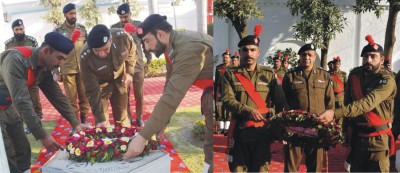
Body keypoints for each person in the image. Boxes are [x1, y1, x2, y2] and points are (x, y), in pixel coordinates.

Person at [122, 14, 214, 172]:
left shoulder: (188, 48)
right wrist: (162, 122)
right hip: (212, 91)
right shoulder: (172, 45)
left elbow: (173, 95)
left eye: (147, 41)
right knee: (211, 142)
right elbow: (169, 84)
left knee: (220, 147)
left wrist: (143, 137)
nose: (147, 48)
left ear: (160, 34)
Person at [0, 32, 89, 173]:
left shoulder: (45, 66)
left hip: (6, 105)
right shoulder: (15, 60)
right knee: (6, 153)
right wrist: (42, 135)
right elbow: (22, 102)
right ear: (46, 51)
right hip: (8, 104)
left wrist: (76, 123)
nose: (61, 64)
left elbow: (57, 96)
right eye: (60, 58)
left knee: (22, 147)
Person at [318, 35, 397, 172]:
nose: (368, 60)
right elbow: (348, 101)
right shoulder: (355, 75)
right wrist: (345, 131)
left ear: (382, 59)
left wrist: (334, 113)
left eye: (373, 57)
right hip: (357, 139)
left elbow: (366, 103)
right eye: (365, 57)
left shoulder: (387, 80)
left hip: (378, 141)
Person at [222, 25, 288, 172]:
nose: (248, 54)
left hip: (263, 133)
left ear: (258, 52)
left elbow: (281, 102)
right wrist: (247, 111)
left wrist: (282, 126)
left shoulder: (268, 74)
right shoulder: (230, 74)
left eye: (252, 50)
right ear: (240, 52)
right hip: (239, 132)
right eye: (245, 50)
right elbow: (227, 99)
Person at [282, 43, 335, 172]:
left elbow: (330, 103)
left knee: (315, 168)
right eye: (304, 54)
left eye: (310, 55)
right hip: (295, 128)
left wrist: (329, 124)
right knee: (291, 168)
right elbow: (283, 103)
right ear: (299, 56)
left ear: (314, 56)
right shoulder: (290, 76)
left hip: (317, 128)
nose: (307, 57)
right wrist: (284, 126)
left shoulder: (324, 75)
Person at [80, 24, 137, 127]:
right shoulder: (85, 56)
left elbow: (132, 51)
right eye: (97, 51)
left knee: (123, 121)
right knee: (102, 124)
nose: (102, 54)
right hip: (100, 87)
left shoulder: (122, 38)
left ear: (111, 40)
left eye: (105, 49)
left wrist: (129, 72)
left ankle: (125, 141)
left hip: (120, 81)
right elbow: (91, 89)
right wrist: (100, 118)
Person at [111, 3, 152, 127]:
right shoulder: (114, 28)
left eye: (126, 16)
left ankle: (139, 117)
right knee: (124, 94)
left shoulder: (139, 26)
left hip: (138, 66)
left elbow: (145, 44)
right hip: (123, 68)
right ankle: (127, 117)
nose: (123, 20)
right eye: (121, 17)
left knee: (139, 95)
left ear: (130, 14)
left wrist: (148, 60)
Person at [4, 19, 43, 134]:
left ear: (24, 28)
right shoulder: (8, 43)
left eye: (21, 29)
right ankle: (27, 124)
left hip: (31, 75)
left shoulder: (32, 41)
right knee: (21, 101)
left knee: (35, 100)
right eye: (17, 30)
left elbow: (38, 57)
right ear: (13, 30)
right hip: (18, 78)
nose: (20, 31)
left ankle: (38, 120)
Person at [54, 3, 90, 123]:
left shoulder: (82, 29)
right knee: (71, 99)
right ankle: (75, 123)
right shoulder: (58, 31)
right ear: (65, 15)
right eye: (71, 13)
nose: (73, 15)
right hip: (67, 69)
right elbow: (53, 52)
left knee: (84, 96)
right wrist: (55, 72)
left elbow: (89, 48)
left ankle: (84, 120)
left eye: (74, 13)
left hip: (82, 69)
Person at [214, 49, 232, 134]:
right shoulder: (218, 68)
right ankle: (221, 128)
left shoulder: (233, 68)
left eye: (227, 57)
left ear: (230, 59)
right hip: (219, 91)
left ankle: (227, 128)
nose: (225, 59)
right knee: (220, 109)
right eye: (224, 57)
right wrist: (214, 93)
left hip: (229, 91)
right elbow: (216, 81)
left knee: (228, 109)